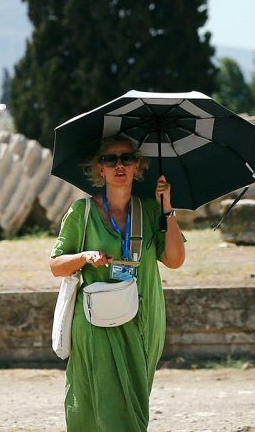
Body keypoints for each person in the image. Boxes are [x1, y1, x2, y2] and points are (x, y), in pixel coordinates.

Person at [48, 134, 187, 431]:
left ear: (138, 166)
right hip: (95, 323)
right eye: (110, 159)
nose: (119, 165)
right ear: (99, 169)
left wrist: (168, 209)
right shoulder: (81, 212)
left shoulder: (151, 210)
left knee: (133, 405)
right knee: (96, 404)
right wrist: (84, 256)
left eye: (127, 158)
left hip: (143, 321)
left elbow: (175, 260)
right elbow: (56, 266)